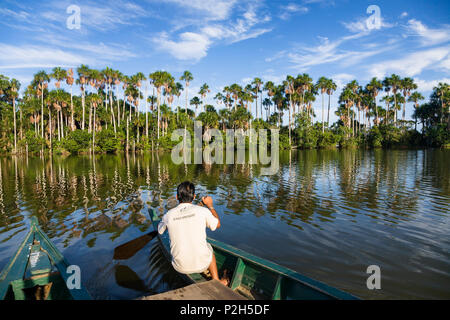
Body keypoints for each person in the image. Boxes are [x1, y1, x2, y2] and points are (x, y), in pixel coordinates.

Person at [157, 181, 229, 286]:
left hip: (179, 267)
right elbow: (217, 224)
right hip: (203, 264)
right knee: (209, 247)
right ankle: (216, 280)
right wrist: (210, 206)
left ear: (177, 197)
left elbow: (160, 230)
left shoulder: (169, 215)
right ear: (194, 196)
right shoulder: (202, 211)